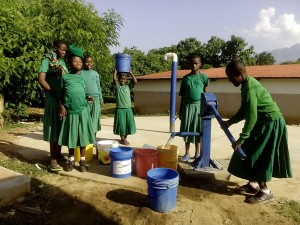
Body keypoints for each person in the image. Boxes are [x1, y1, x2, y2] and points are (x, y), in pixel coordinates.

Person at [223, 60, 292, 204]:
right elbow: (244, 110)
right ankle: (253, 184)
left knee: (258, 155)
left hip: (271, 123)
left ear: (239, 74)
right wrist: (229, 122)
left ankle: (266, 191)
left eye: (230, 77)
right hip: (263, 123)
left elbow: (251, 117)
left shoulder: (250, 87)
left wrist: (241, 139)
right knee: (249, 152)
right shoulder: (246, 85)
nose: (229, 80)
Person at [58, 45, 95, 172]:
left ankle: (83, 162)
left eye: (80, 61)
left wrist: (88, 97)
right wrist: (62, 106)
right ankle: (71, 160)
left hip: (83, 111)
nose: (78, 63)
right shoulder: (65, 78)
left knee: (83, 138)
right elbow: (60, 95)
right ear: (69, 63)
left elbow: (82, 92)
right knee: (72, 138)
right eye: (75, 61)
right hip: (71, 113)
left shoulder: (82, 78)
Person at [38, 39, 68, 172]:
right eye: (62, 49)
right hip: (53, 98)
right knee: (54, 126)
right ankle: (53, 160)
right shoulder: (47, 59)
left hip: (62, 98)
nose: (64, 52)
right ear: (55, 48)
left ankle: (59, 154)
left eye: (65, 50)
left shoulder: (62, 63)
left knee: (61, 126)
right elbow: (41, 79)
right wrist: (54, 92)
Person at [179, 54, 209, 161]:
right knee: (187, 128)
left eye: (196, 63)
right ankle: (186, 152)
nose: (194, 65)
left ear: (200, 64)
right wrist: (180, 110)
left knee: (197, 129)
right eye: (191, 63)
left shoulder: (204, 77)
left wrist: (206, 108)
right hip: (187, 106)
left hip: (199, 107)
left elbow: (206, 94)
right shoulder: (185, 78)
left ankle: (197, 153)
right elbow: (182, 96)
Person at [81, 54, 104, 146]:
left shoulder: (95, 74)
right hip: (85, 100)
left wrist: (101, 99)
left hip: (96, 100)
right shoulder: (80, 73)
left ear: (93, 63)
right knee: (86, 120)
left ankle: (93, 139)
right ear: (83, 62)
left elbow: (99, 87)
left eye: (90, 62)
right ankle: (85, 139)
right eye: (86, 62)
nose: (88, 64)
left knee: (94, 120)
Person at [113, 69, 137, 145]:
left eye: (124, 79)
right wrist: (115, 73)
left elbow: (135, 81)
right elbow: (114, 79)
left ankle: (125, 138)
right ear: (119, 79)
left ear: (126, 80)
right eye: (121, 79)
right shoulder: (118, 87)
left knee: (127, 124)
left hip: (128, 109)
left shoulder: (128, 87)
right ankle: (122, 139)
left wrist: (131, 73)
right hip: (120, 109)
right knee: (121, 125)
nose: (122, 80)